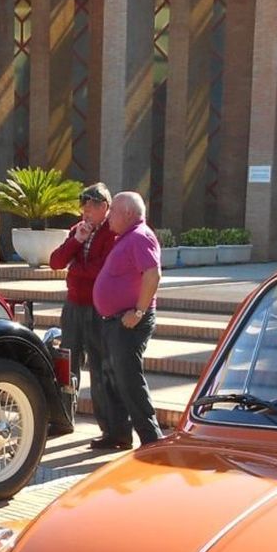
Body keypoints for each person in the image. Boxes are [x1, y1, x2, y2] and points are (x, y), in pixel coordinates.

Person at [90, 192, 162, 451]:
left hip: (129, 321)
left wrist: (139, 312)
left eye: (113, 212)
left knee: (129, 379)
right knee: (112, 378)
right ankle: (118, 434)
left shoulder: (141, 237)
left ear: (129, 213)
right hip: (114, 320)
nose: (108, 216)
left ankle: (152, 439)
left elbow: (153, 274)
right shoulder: (127, 238)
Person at [47, 182, 116, 391]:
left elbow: (102, 269)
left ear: (104, 207)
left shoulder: (112, 231)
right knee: (68, 361)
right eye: (83, 209)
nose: (85, 214)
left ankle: (103, 408)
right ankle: (67, 406)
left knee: (99, 363)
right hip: (74, 305)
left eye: (90, 209)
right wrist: (77, 240)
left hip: (98, 307)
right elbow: (56, 262)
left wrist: (74, 268)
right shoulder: (78, 230)